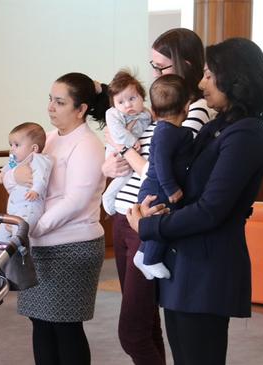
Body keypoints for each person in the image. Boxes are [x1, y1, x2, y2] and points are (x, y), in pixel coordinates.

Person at [127, 37, 263, 365]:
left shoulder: (247, 133)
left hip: (208, 269)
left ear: (235, 79)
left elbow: (211, 210)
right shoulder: (220, 125)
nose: (201, 82)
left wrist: (150, 225)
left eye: (209, 75)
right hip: (185, 264)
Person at [101, 28, 216, 365]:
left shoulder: (196, 109)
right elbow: (134, 159)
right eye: (152, 65)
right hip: (124, 217)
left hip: (149, 222)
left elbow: (163, 169)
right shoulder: (156, 110)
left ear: (185, 64)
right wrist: (113, 163)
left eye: (161, 67)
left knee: (132, 331)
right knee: (147, 324)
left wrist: (123, 146)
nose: (154, 75)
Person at [15, 72, 109, 364]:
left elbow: (75, 201)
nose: (50, 108)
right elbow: (19, 174)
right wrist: (14, 175)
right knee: (40, 322)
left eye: (59, 102)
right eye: (50, 100)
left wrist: (34, 228)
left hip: (73, 247)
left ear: (81, 110)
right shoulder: (50, 139)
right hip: (41, 244)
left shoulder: (88, 145)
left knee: (65, 326)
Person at [133, 75, 193, 280]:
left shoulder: (172, 131)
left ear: (155, 111)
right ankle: (151, 259)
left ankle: (142, 254)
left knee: (160, 219)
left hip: (157, 187)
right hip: (158, 187)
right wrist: (171, 189)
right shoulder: (166, 132)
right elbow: (161, 164)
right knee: (164, 220)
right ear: (187, 106)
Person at [101, 70, 152, 216]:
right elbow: (117, 133)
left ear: (142, 97)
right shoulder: (113, 114)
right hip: (116, 153)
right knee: (123, 174)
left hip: (133, 156)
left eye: (132, 98)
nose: (128, 105)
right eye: (121, 102)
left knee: (128, 173)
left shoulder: (146, 114)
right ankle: (108, 197)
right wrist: (132, 141)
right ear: (114, 104)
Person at [0, 122, 52, 242]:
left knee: (20, 232)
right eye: (11, 145)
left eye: (17, 145)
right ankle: (5, 253)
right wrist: (3, 172)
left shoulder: (38, 159)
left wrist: (36, 190)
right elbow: (9, 166)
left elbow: (42, 176)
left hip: (29, 207)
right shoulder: (16, 161)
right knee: (2, 231)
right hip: (14, 210)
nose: (12, 149)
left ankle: (22, 254)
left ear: (34, 148)